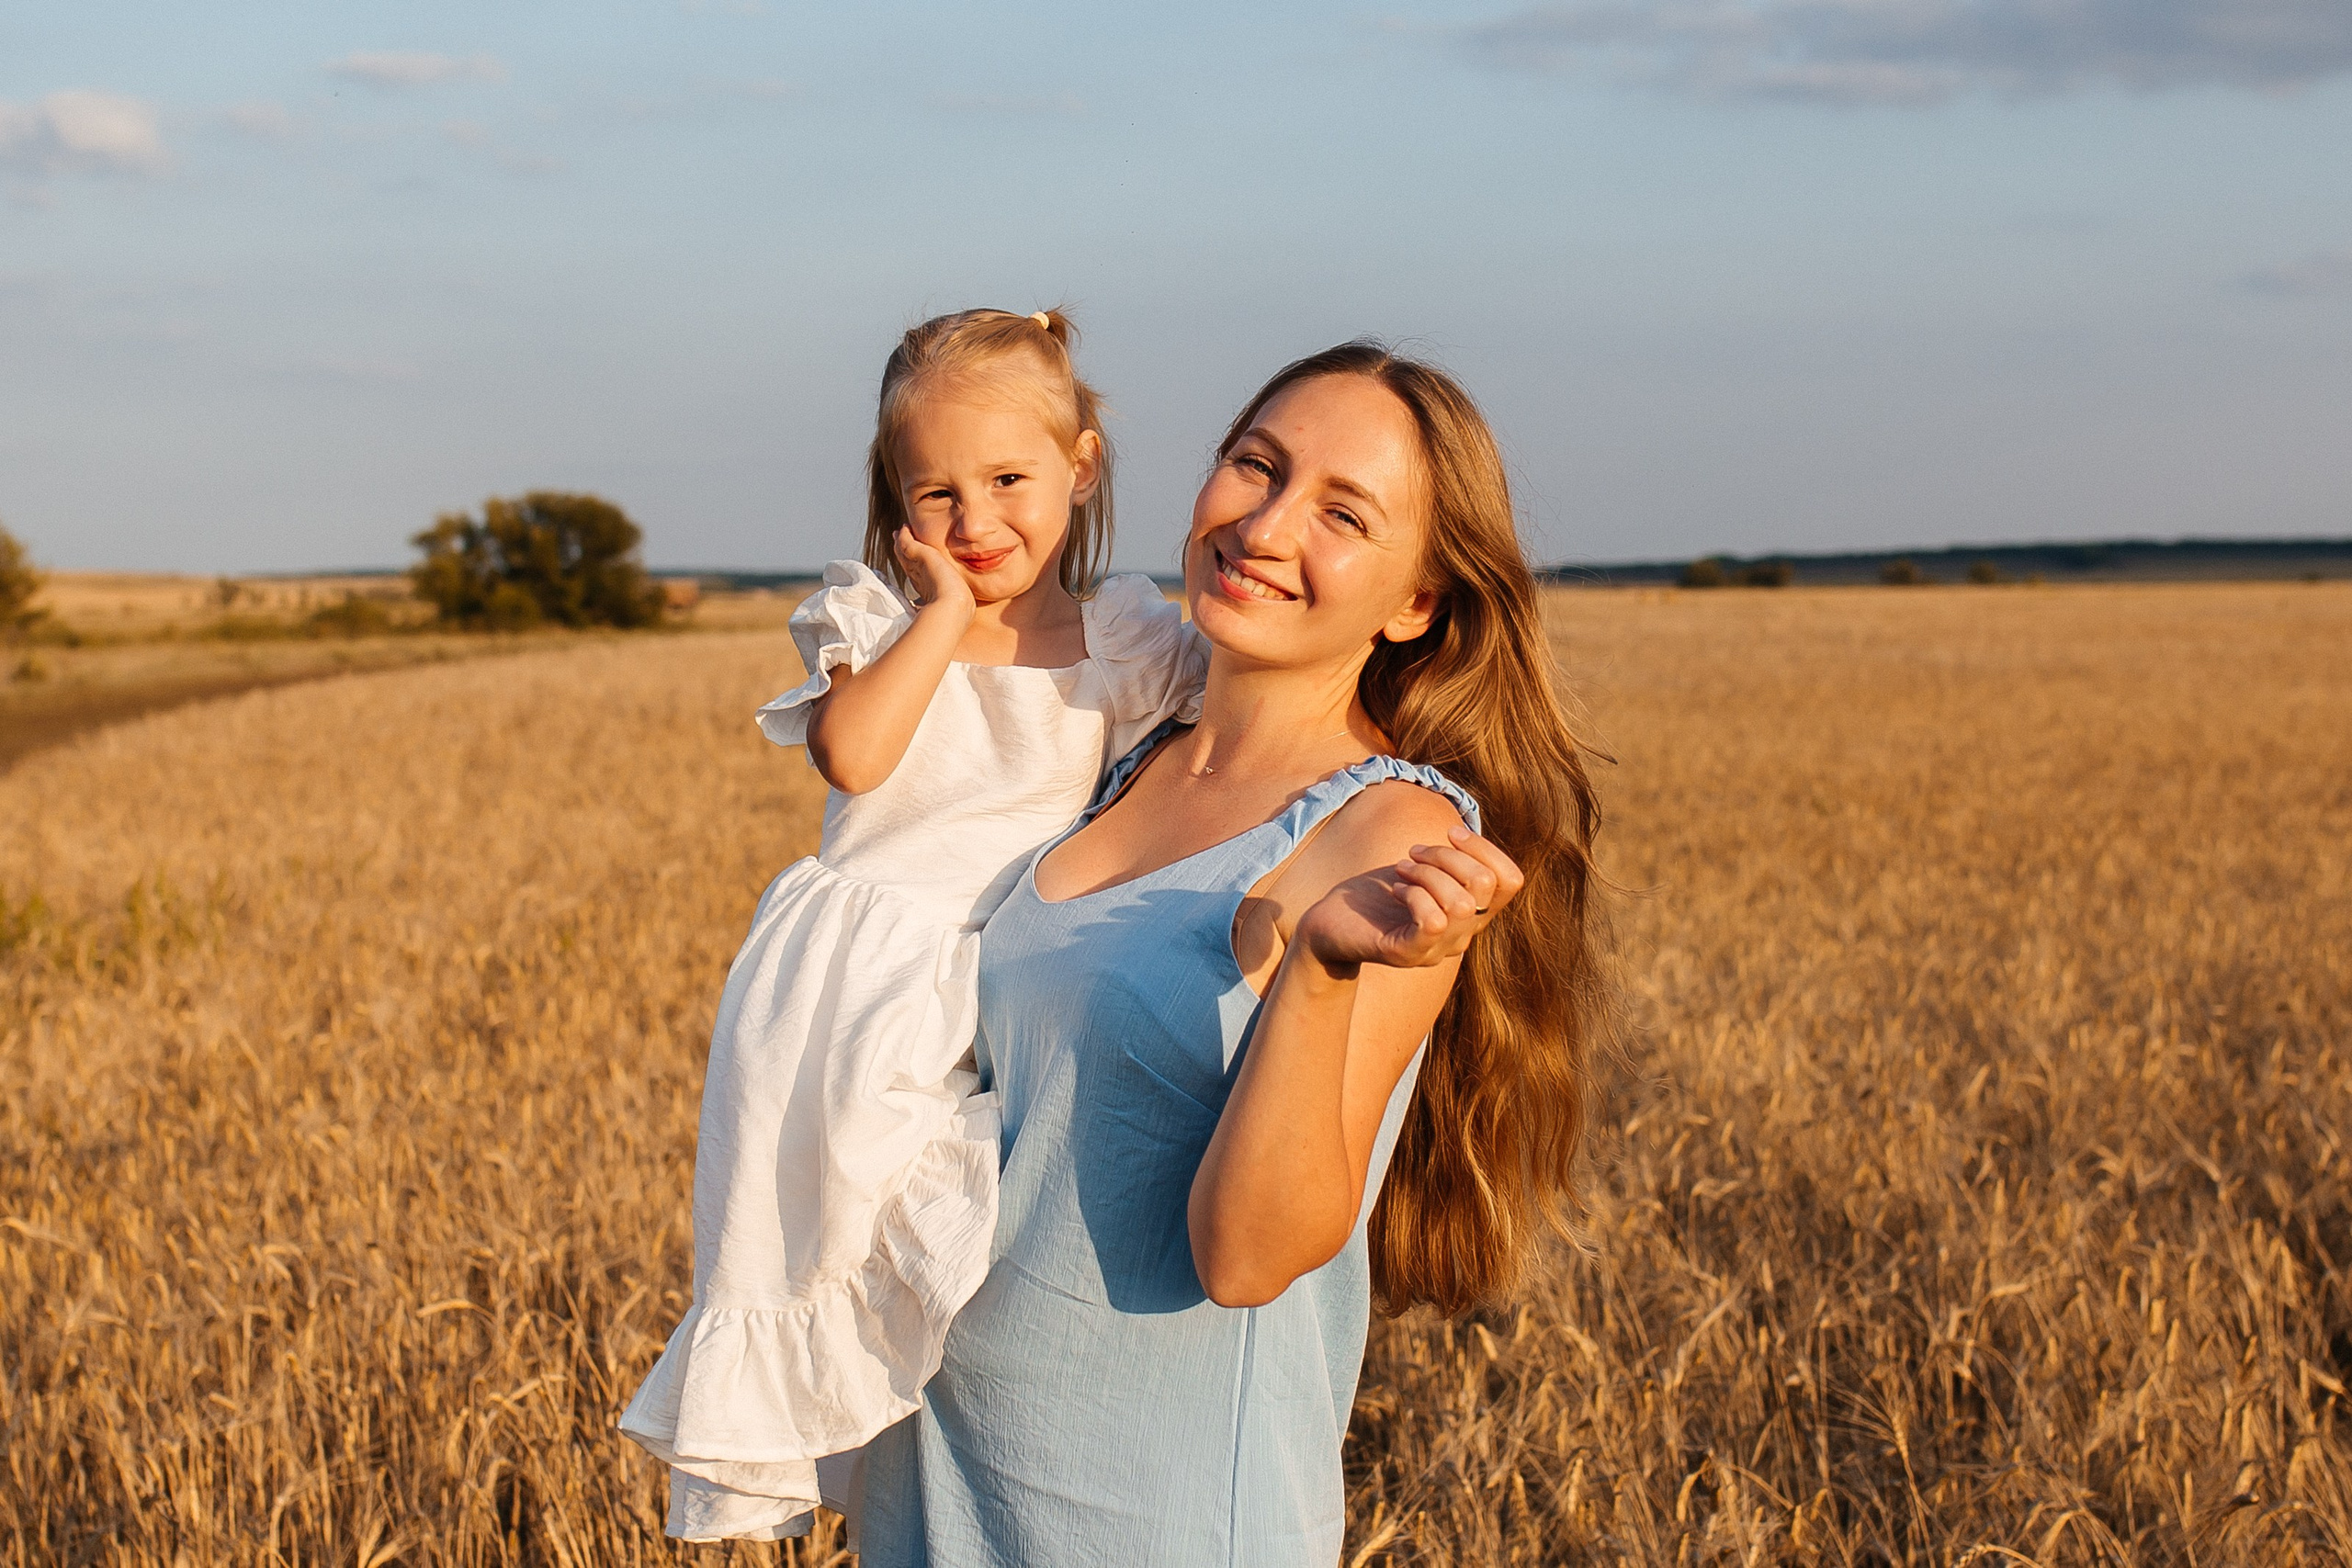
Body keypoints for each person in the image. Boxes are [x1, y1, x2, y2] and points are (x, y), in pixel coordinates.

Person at [860, 342, 1611, 1565]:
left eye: (1341, 512)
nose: (1264, 525)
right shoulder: (1115, 763)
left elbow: (1251, 1254)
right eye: (1252, 467)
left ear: (1417, 601)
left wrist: (1314, 975)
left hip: (1144, 1517)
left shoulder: (1386, 834)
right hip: (944, 1488)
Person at [619, 308, 1205, 1542]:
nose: (976, 522)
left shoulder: (1130, 639)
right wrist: (940, 617)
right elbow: (858, 755)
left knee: (983, 1254)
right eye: (934, 492)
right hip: (867, 984)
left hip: (1013, 970)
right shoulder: (875, 625)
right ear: (893, 502)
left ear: (1081, 469)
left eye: (1008, 481)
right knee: (841, 1231)